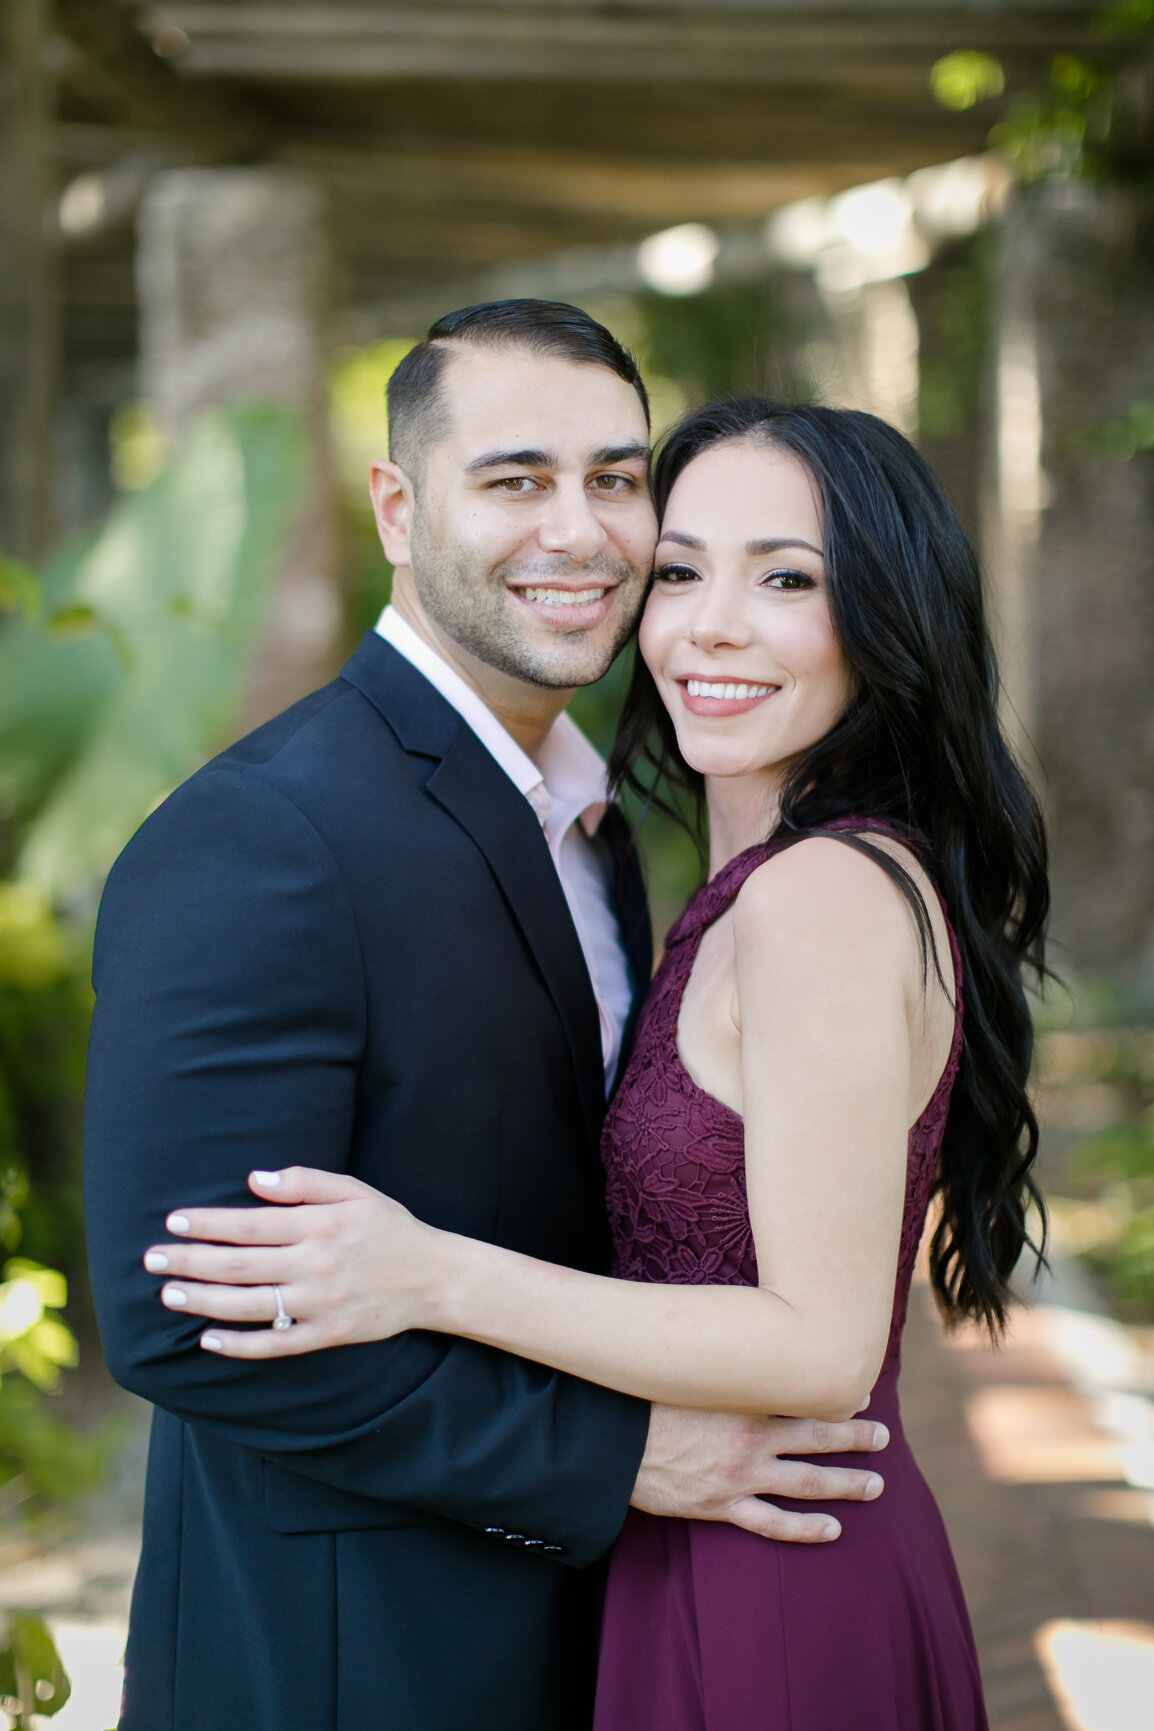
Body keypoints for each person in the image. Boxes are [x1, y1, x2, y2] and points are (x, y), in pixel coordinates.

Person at [151, 398, 1050, 1728]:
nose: (711, 625)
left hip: (775, 1577)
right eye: (679, 571)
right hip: (692, 1538)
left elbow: (819, 1346)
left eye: (786, 579)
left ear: (885, 620)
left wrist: (426, 1275)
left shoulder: (824, 898)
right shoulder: (725, 884)